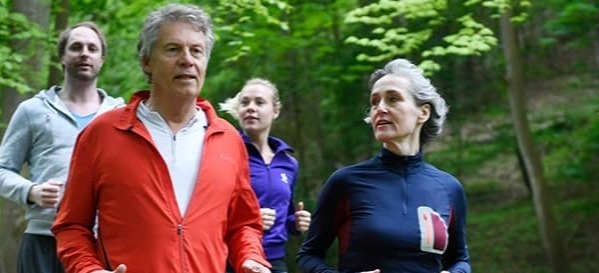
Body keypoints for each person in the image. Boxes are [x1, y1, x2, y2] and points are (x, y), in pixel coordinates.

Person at [51, 3, 271, 273]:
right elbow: (71, 225)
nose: (187, 60)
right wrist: (89, 269)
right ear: (147, 61)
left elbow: (244, 224)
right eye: (173, 49)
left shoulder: (228, 139)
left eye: (196, 51)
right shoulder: (101, 134)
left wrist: (251, 258)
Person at [297, 58, 471, 273]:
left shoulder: (449, 188)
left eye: (393, 99)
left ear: (423, 113)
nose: (380, 109)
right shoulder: (346, 182)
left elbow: (460, 259)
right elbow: (309, 256)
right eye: (374, 102)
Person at [0, 21, 124, 273]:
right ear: (62, 57)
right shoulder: (32, 111)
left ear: (102, 59)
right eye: (76, 47)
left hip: (101, 242)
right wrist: (31, 191)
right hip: (44, 239)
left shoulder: (120, 115)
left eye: (92, 48)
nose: (84, 53)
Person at [219, 78, 312, 273]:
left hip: (274, 261)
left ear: (275, 111)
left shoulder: (288, 163)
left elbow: (284, 217)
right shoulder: (224, 153)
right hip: (233, 260)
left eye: (259, 103)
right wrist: (250, 219)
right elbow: (209, 212)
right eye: (245, 103)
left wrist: (294, 223)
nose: (251, 108)